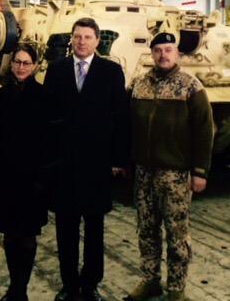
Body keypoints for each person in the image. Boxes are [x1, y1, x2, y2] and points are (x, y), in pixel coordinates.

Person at [43, 17, 129, 301]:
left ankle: (90, 284)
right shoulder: (56, 70)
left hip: (97, 163)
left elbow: (120, 117)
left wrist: (118, 159)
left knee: (94, 228)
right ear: (72, 38)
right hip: (64, 164)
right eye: (77, 36)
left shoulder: (111, 71)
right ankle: (69, 285)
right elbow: (48, 118)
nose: (82, 42)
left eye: (88, 37)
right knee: (65, 228)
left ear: (97, 41)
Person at [126, 32, 213, 301]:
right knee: (146, 230)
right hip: (144, 172)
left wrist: (200, 171)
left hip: (175, 174)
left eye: (168, 49)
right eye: (158, 50)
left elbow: (204, 131)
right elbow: (126, 124)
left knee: (177, 234)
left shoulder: (191, 86)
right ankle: (150, 280)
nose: (163, 55)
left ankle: (176, 288)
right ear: (152, 54)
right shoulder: (138, 84)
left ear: (176, 53)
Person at [0, 44, 51, 301]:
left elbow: (49, 142)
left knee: (27, 238)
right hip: (6, 178)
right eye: (17, 62)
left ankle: (21, 289)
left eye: (26, 63)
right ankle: (14, 287)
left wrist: (44, 179)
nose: (21, 67)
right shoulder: (1, 96)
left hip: (32, 181)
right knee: (10, 237)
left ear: (34, 66)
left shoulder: (44, 97)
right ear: (11, 64)